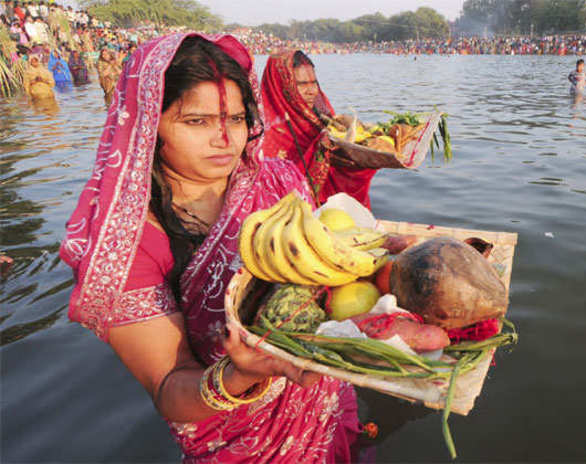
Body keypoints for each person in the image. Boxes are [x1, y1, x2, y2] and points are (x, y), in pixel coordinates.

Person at [60, 33, 361, 463]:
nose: (224, 139)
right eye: (196, 121)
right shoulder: (127, 243)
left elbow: (323, 279)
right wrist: (237, 376)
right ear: (149, 123)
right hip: (242, 439)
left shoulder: (277, 180)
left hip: (319, 401)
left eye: (236, 119)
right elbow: (168, 386)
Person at [260, 50, 376, 208]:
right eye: (301, 85)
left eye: (314, 83)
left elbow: (342, 174)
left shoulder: (323, 120)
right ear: (281, 87)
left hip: (333, 215)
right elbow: (276, 193)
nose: (312, 91)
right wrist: (321, 148)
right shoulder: (263, 134)